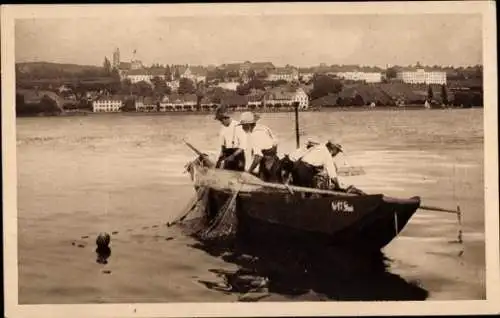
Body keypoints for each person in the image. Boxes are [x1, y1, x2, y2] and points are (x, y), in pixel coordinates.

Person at [238, 111, 281, 182]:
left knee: (269, 186)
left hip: (269, 164)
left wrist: (248, 172)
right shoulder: (263, 127)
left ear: (248, 125)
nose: (242, 127)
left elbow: (258, 157)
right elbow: (276, 142)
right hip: (274, 160)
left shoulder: (255, 135)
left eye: (243, 125)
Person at [213, 105, 247, 171]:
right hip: (227, 154)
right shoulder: (222, 128)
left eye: (221, 120)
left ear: (226, 118)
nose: (221, 122)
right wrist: (220, 159)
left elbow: (242, 147)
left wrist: (232, 156)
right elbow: (223, 146)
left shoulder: (238, 126)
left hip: (238, 156)